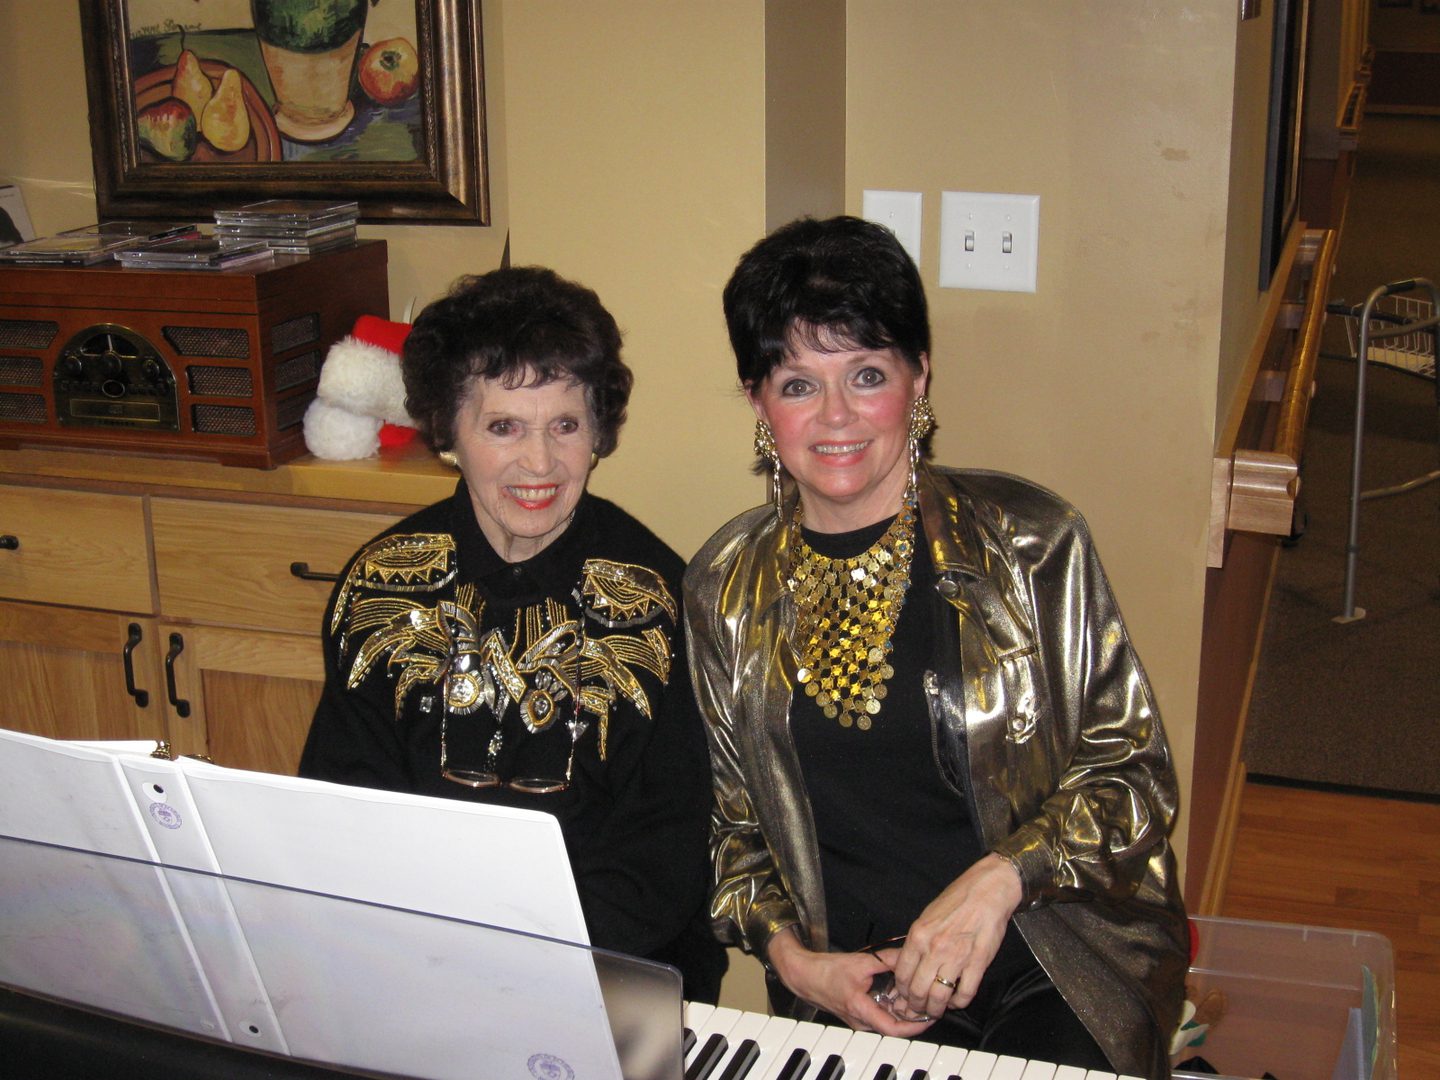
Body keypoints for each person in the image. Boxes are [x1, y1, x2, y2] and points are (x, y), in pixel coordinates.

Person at [683, 216, 1188, 1076]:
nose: (836, 417)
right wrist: (797, 963)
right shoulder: (722, 588)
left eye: (866, 375)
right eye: (798, 385)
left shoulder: (1032, 545)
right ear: (758, 403)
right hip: (858, 985)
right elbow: (732, 831)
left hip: (1049, 953)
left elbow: (1131, 775)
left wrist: (1001, 879)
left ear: (919, 378)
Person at [300, 266, 725, 1002]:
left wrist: (527, 970)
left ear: (598, 433)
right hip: (418, 955)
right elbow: (344, 806)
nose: (540, 463)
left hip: (613, 967)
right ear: (448, 434)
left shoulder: (656, 599)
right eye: (503, 427)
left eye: (565, 425)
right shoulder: (382, 585)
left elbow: (665, 847)